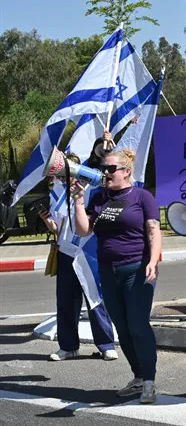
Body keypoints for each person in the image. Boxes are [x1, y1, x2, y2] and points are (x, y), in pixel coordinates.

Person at [73, 149, 162, 404]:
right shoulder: (99, 197)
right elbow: (83, 229)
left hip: (136, 269)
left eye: (111, 168)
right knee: (122, 328)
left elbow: (154, 231)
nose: (106, 173)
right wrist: (79, 201)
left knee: (137, 325)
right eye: (104, 169)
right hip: (107, 271)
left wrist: (153, 260)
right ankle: (138, 376)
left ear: (126, 171)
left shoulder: (142, 197)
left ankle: (149, 381)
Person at [39, 152, 116, 362]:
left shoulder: (92, 188)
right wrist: (50, 225)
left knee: (95, 297)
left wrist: (106, 144)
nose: (62, 175)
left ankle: (106, 344)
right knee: (66, 301)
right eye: (60, 172)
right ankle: (68, 347)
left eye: (66, 170)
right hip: (66, 251)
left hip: (88, 249)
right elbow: (59, 227)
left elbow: (108, 176)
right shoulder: (56, 192)